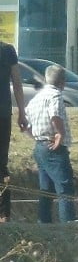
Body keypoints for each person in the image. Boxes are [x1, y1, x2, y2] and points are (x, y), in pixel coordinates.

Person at [23, 64, 76, 223]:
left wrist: (36, 137)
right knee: (65, 188)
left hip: (40, 147)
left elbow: (24, 124)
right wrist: (60, 134)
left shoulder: (36, 98)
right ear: (62, 81)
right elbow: (55, 115)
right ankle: (68, 226)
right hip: (54, 148)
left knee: (46, 189)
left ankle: (44, 224)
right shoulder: (55, 95)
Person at [0, 41, 28, 222]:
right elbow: (17, 83)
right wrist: (22, 113)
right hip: (2, 115)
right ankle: (3, 215)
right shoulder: (7, 50)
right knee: (1, 164)